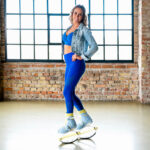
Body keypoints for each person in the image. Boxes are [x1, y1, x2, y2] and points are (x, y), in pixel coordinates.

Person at [58, 4, 98, 134]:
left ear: (83, 17)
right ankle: (85, 117)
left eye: (80, 14)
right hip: (69, 63)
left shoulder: (84, 30)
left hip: (77, 63)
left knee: (66, 91)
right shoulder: (69, 28)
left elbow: (94, 46)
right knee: (70, 92)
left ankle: (70, 121)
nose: (77, 16)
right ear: (72, 14)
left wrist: (82, 56)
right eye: (75, 13)